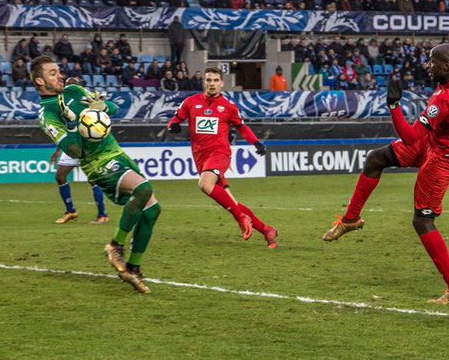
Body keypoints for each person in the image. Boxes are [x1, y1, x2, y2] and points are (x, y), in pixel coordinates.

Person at [321, 0, 449, 304]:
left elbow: (409, 137)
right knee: (375, 159)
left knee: (422, 220)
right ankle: (351, 220)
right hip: (434, 144)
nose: (428, 65)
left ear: (447, 67)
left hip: (443, 159)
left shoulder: (444, 100)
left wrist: (393, 106)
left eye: (433, 62)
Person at [32, 55, 161, 293]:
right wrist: (72, 125)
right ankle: (115, 245)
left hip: (116, 152)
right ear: (39, 81)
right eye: (52, 73)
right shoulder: (47, 114)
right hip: (96, 162)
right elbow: (73, 150)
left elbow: (111, 109)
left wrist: (102, 107)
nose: (60, 75)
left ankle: (133, 268)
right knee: (143, 189)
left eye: (59, 71)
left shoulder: (73, 90)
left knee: (152, 210)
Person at [167, 67, 278, 248]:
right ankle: (266, 229)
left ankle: (241, 219)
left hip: (220, 154)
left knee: (204, 184)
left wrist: (255, 142)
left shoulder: (228, 107)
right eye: (209, 80)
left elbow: (242, 126)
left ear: (222, 83)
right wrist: (173, 127)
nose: (212, 84)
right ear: (204, 82)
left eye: (215, 80)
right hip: (201, 158)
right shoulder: (190, 102)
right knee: (231, 201)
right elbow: (174, 120)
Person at [49, 77, 108, 225]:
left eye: (71, 86)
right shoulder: (63, 105)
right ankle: (71, 211)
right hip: (71, 146)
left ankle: (102, 215)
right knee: (60, 176)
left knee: (93, 179)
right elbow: (64, 130)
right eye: (67, 85)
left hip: (87, 146)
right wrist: (57, 150)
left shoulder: (87, 104)